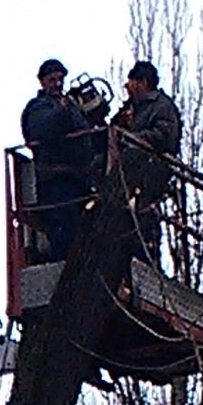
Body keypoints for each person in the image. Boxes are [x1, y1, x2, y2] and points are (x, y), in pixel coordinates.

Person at [20, 57, 100, 260]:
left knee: (82, 231)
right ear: (42, 82)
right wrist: (63, 111)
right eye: (52, 79)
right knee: (64, 229)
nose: (57, 84)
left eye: (60, 79)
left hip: (78, 179)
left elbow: (86, 135)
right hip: (56, 178)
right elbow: (42, 129)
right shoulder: (37, 107)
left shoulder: (72, 107)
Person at [110, 59, 182, 263]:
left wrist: (134, 138)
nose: (127, 87)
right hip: (127, 178)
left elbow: (165, 136)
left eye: (132, 81)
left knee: (145, 226)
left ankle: (148, 262)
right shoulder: (131, 108)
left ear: (143, 82)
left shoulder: (162, 106)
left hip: (150, 175)